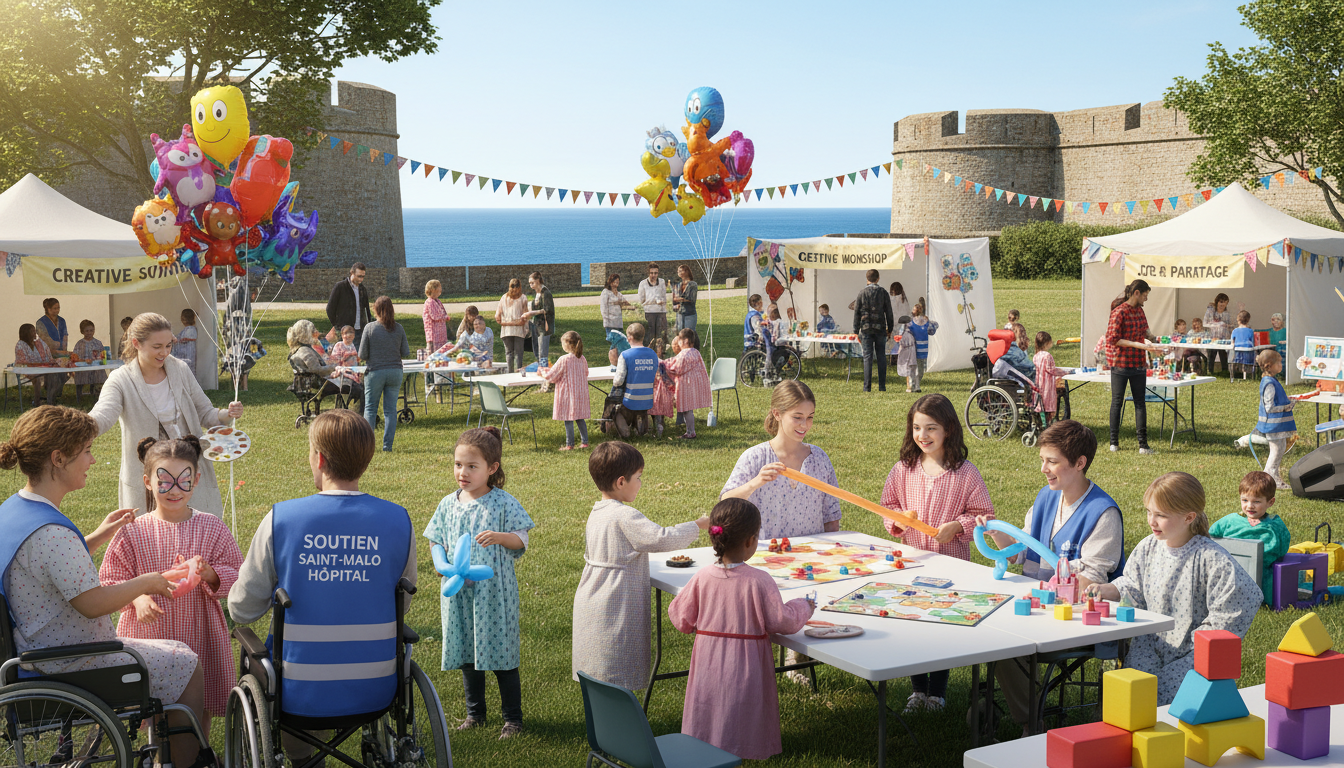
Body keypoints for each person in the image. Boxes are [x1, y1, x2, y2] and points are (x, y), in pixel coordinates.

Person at [0, 406, 208, 766]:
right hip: (70, 661)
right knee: (186, 664)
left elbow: (44, 570)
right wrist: (148, 581)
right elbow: (92, 603)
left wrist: (96, 536)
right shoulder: (53, 534)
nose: (92, 460)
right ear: (58, 458)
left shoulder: (15, 511)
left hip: (35, 647)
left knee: (173, 651)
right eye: (86, 451)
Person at [230, 409, 415, 760]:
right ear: (367, 459)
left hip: (298, 688)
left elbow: (243, 608)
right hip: (376, 685)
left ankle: (303, 759)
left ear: (319, 458)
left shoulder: (281, 520)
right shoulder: (398, 521)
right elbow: (401, 604)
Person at [978, 419, 1124, 728]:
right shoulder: (1046, 497)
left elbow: (1090, 582)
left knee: (1002, 645)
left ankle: (1030, 724)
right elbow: (1020, 552)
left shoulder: (1103, 513)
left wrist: (1055, 586)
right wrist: (995, 532)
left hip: (1072, 618)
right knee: (982, 622)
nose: (1044, 468)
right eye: (1042, 460)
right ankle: (997, 707)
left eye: (1052, 462)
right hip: (1034, 607)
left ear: (1080, 463)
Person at [99, 435, 244, 728]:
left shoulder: (211, 526)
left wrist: (211, 574)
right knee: (153, 703)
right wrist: (137, 598)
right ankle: (158, 757)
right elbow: (110, 579)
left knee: (197, 704)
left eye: (184, 480)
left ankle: (198, 752)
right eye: (165, 481)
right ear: (148, 482)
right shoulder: (133, 532)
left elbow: (237, 573)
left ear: (197, 479)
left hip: (199, 629)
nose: (175, 490)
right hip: (150, 633)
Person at [1086, 472, 1262, 705]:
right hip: (1148, 645)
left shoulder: (1211, 557)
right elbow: (1133, 586)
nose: (1152, 521)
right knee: (1128, 695)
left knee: (1171, 706)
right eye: (1149, 512)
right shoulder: (1148, 547)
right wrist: (1108, 589)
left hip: (1192, 653)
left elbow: (1240, 602)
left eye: (1161, 515)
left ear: (1189, 517)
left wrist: (1202, 643)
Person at [668, 498, 814, 761]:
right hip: (746, 662)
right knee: (743, 707)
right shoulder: (759, 581)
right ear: (750, 541)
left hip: (708, 660)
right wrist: (804, 606)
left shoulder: (701, 577)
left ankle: (705, 748)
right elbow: (783, 622)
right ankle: (743, 749)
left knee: (709, 705)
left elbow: (680, 618)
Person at [880, 393, 994, 713]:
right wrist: (901, 522)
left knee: (942, 624)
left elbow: (984, 514)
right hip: (912, 564)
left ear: (948, 430)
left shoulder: (966, 473)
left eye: (931, 428)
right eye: (917, 428)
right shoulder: (904, 469)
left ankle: (938, 694)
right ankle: (918, 691)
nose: (923, 436)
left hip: (951, 566)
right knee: (915, 624)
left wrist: (958, 526)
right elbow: (888, 507)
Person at [425, 427, 534, 738]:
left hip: (494, 595)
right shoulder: (448, 503)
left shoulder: (502, 503)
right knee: (468, 655)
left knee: (501, 655)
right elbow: (435, 539)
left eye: (472, 466)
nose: (463, 472)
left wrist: (501, 537)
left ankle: (513, 719)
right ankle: (476, 713)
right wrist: (441, 562)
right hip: (459, 595)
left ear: (492, 469)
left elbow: (521, 540)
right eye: (458, 464)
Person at [572, 442, 709, 688]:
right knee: (614, 663)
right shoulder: (625, 515)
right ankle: (618, 721)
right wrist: (698, 525)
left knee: (599, 665)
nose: (641, 483)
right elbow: (661, 538)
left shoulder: (598, 510)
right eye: (639, 477)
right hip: (614, 600)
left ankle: (602, 721)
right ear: (621, 482)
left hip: (593, 595)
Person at [91, 313, 243, 517]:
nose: (164, 352)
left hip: (188, 468)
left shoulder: (180, 369)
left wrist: (227, 414)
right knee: (152, 539)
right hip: (149, 478)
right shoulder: (120, 380)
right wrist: (78, 427)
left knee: (195, 533)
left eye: (168, 345)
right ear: (136, 343)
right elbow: (103, 415)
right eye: (157, 347)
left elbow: (206, 413)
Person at [720, 381, 842, 539]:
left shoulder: (819, 459)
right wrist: (756, 482)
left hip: (812, 557)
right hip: (766, 557)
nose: (804, 425)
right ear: (777, 414)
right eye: (797, 417)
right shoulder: (755, 457)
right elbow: (725, 502)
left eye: (810, 417)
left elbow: (831, 519)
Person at [1209, 470, 1292, 604]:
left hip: (1261, 574)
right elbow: (1210, 536)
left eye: (1256, 501)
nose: (1249, 506)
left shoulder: (1273, 526)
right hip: (1229, 571)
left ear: (1270, 502)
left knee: (1269, 588)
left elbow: (1281, 548)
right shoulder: (1230, 521)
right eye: (1245, 500)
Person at [1105, 279, 1163, 454]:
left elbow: (1145, 331)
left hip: (1138, 364)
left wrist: (1156, 341)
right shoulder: (1118, 313)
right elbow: (1114, 339)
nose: (1146, 299)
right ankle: (1113, 442)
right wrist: (1142, 346)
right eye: (1145, 295)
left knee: (1140, 403)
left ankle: (1143, 445)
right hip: (1121, 365)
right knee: (1117, 402)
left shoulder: (1140, 311)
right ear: (1136, 293)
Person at [359, 296, 410, 452]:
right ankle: (387, 446)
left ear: (375, 309)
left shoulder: (370, 328)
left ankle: (369, 446)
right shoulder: (399, 328)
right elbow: (405, 352)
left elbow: (362, 354)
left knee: (370, 408)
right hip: (395, 371)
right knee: (390, 410)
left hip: (375, 371)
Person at [288, 318, 363, 404]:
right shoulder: (305, 351)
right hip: (321, 385)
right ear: (306, 334)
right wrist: (335, 367)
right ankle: (360, 412)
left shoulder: (300, 349)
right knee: (357, 385)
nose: (316, 332)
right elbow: (318, 370)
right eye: (313, 330)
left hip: (312, 383)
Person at [541, 330, 591, 450]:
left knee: (568, 418)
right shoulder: (582, 358)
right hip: (580, 393)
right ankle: (585, 442)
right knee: (580, 417)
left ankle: (570, 444)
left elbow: (551, 377)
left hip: (567, 394)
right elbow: (586, 372)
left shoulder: (564, 359)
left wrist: (543, 372)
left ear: (568, 344)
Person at [1255, 350, 1297, 488]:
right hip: (1273, 425)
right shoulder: (1269, 383)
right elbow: (1269, 407)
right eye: (1278, 362)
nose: (1281, 364)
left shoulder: (1271, 380)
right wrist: (1285, 407)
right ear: (1269, 365)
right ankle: (1272, 479)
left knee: (1280, 448)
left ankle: (1269, 477)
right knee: (1276, 451)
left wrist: (1287, 401)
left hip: (1277, 425)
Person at [664, 328, 711, 439]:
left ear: (684, 341)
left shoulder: (684, 354)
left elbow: (675, 368)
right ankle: (690, 431)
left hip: (686, 385)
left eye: (679, 341)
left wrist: (661, 363)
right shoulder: (695, 352)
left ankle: (690, 432)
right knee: (688, 409)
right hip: (693, 384)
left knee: (686, 410)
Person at [854, 269, 894, 392]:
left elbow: (857, 312)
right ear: (878, 278)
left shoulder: (861, 293)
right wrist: (890, 328)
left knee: (867, 358)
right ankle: (882, 386)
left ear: (867, 279)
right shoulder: (883, 293)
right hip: (880, 329)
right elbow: (889, 312)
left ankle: (867, 387)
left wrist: (855, 330)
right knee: (881, 357)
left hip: (866, 329)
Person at [613, 322, 658, 425]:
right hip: (649, 399)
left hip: (630, 400)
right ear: (643, 336)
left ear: (629, 338)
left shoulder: (625, 355)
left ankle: (625, 424)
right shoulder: (652, 354)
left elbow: (618, 381)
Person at [15, 322, 68, 405]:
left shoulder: (39, 343)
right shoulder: (20, 345)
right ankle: (40, 401)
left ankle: (50, 397)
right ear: (26, 333)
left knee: (62, 374)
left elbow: (49, 356)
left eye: (34, 330)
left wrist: (51, 363)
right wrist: (41, 365)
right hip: (28, 370)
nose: (35, 333)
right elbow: (24, 363)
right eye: (32, 331)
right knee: (41, 378)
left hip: (42, 368)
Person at [326, 262, 372, 334]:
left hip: (361, 331)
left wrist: (368, 326)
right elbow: (330, 309)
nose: (361, 279)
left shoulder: (363, 289)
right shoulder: (340, 287)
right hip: (344, 332)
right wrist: (337, 326)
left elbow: (367, 311)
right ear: (352, 273)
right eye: (359, 276)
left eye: (363, 276)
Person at [901, 301, 937, 392]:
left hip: (916, 349)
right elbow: (932, 330)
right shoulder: (914, 322)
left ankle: (914, 386)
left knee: (914, 368)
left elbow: (904, 333)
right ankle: (915, 386)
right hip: (919, 349)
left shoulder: (914, 322)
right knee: (918, 369)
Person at [1033, 331, 1067, 425]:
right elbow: (1051, 370)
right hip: (1047, 386)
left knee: (1041, 405)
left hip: (1038, 384)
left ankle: (1042, 423)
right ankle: (1049, 423)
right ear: (1047, 343)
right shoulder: (1047, 356)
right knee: (1049, 405)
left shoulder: (1036, 355)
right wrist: (1064, 372)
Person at [495, 277, 529, 372]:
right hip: (517, 330)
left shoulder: (504, 297)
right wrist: (516, 322)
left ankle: (511, 373)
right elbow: (525, 317)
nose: (514, 290)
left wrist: (505, 323)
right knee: (518, 353)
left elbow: (497, 317)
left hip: (507, 330)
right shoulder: (523, 298)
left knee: (509, 353)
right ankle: (516, 373)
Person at [600, 274, 634, 366]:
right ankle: (613, 362)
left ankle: (619, 361)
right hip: (610, 322)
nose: (616, 283)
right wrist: (606, 319)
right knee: (614, 342)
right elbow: (603, 307)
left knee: (620, 342)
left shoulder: (618, 294)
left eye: (618, 282)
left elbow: (626, 303)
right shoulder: (606, 292)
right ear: (610, 282)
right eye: (615, 281)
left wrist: (634, 307)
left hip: (618, 322)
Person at [522, 271, 555, 365]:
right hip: (536, 326)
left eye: (532, 282)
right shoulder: (538, 293)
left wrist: (532, 313)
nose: (531, 285)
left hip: (544, 327)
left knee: (542, 352)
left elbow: (547, 310)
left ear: (538, 280)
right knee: (537, 351)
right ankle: (540, 369)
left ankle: (544, 371)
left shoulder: (546, 292)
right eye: (529, 283)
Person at [636, 262, 670, 354]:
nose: (653, 275)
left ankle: (661, 353)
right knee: (650, 335)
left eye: (655, 273)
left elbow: (664, 297)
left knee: (661, 334)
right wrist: (654, 300)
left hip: (661, 312)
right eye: (651, 273)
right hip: (649, 312)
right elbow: (641, 301)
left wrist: (663, 305)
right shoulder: (643, 283)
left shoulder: (662, 282)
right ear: (648, 273)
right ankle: (649, 352)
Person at [71, 319, 108, 399]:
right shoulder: (79, 344)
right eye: (87, 331)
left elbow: (103, 356)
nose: (89, 333)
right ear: (82, 331)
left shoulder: (98, 343)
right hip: (83, 369)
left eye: (91, 330)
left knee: (99, 374)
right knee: (81, 376)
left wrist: (100, 358)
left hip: (96, 368)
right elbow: (74, 357)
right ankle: (80, 397)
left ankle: (98, 395)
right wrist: (84, 361)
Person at [1203, 292, 1236, 374]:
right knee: (1211, 356)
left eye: (1225, 302)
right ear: (1217, 302)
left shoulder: (1227, 314)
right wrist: (1214, 325)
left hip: (1223, 338)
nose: (1223, 304)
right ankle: (1210, 372)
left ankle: (1224, 372)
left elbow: (1232, 325)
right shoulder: (1210, 311)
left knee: (1223, 356)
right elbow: (1204, 323)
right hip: (1212, 338)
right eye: (1221, 302)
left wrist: (1226, 325)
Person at [328, 325, 363, 389]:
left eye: (351, 333)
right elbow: (335, 362)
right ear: (342, 335)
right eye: (346, 333)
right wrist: (347, 356)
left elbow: (357, 361)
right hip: (342, 368)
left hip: (353, 369)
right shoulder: (339, 345)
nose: (348, 336)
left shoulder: (354, 346)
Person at [422, 279, 452, 352]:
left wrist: (445, 316)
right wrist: (445, 317)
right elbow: (434, 316)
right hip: (433, 334)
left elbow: (442, 311)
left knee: (441, 350)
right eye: (439, 287)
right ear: (433, 289)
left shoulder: (437, 301)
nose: (441, 289)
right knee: (433, 351)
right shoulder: (430, 302)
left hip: (440, 334)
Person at [888, 282, 912, 364]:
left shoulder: (896, 299)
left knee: (895, 343)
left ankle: (895, 359)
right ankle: (896, 359)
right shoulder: (903, 299)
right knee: (898, 343)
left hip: (896, 324)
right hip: (900, 324)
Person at [671, 264, 698, 332]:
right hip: (680, 313)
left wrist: (681, 299)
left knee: (689, 333)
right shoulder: (679, 284)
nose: (678, 273)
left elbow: (692, 299)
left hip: (689, 314)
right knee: (680, 333)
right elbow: (675, 299)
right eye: (678, 271)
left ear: (686, 272)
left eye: (680, 271)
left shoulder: (692, 284)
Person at [172, 308, 198, 375]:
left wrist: (174, 339)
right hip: (185, 357)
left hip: (187, 356)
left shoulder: (191, 330)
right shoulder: (187, 330)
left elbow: (183, 339)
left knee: (187, 373)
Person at [1231, 310, 1256, 379]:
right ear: (1248, 320)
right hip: (1248, 351)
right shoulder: (1251, 331)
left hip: (1237, 352)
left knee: (1237, 363)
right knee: (1248, 364)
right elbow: (1253, 342)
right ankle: (1248, 376)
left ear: (1238, 319)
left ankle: (1236, 376)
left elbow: (1232, 342)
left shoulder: (1235, 331)